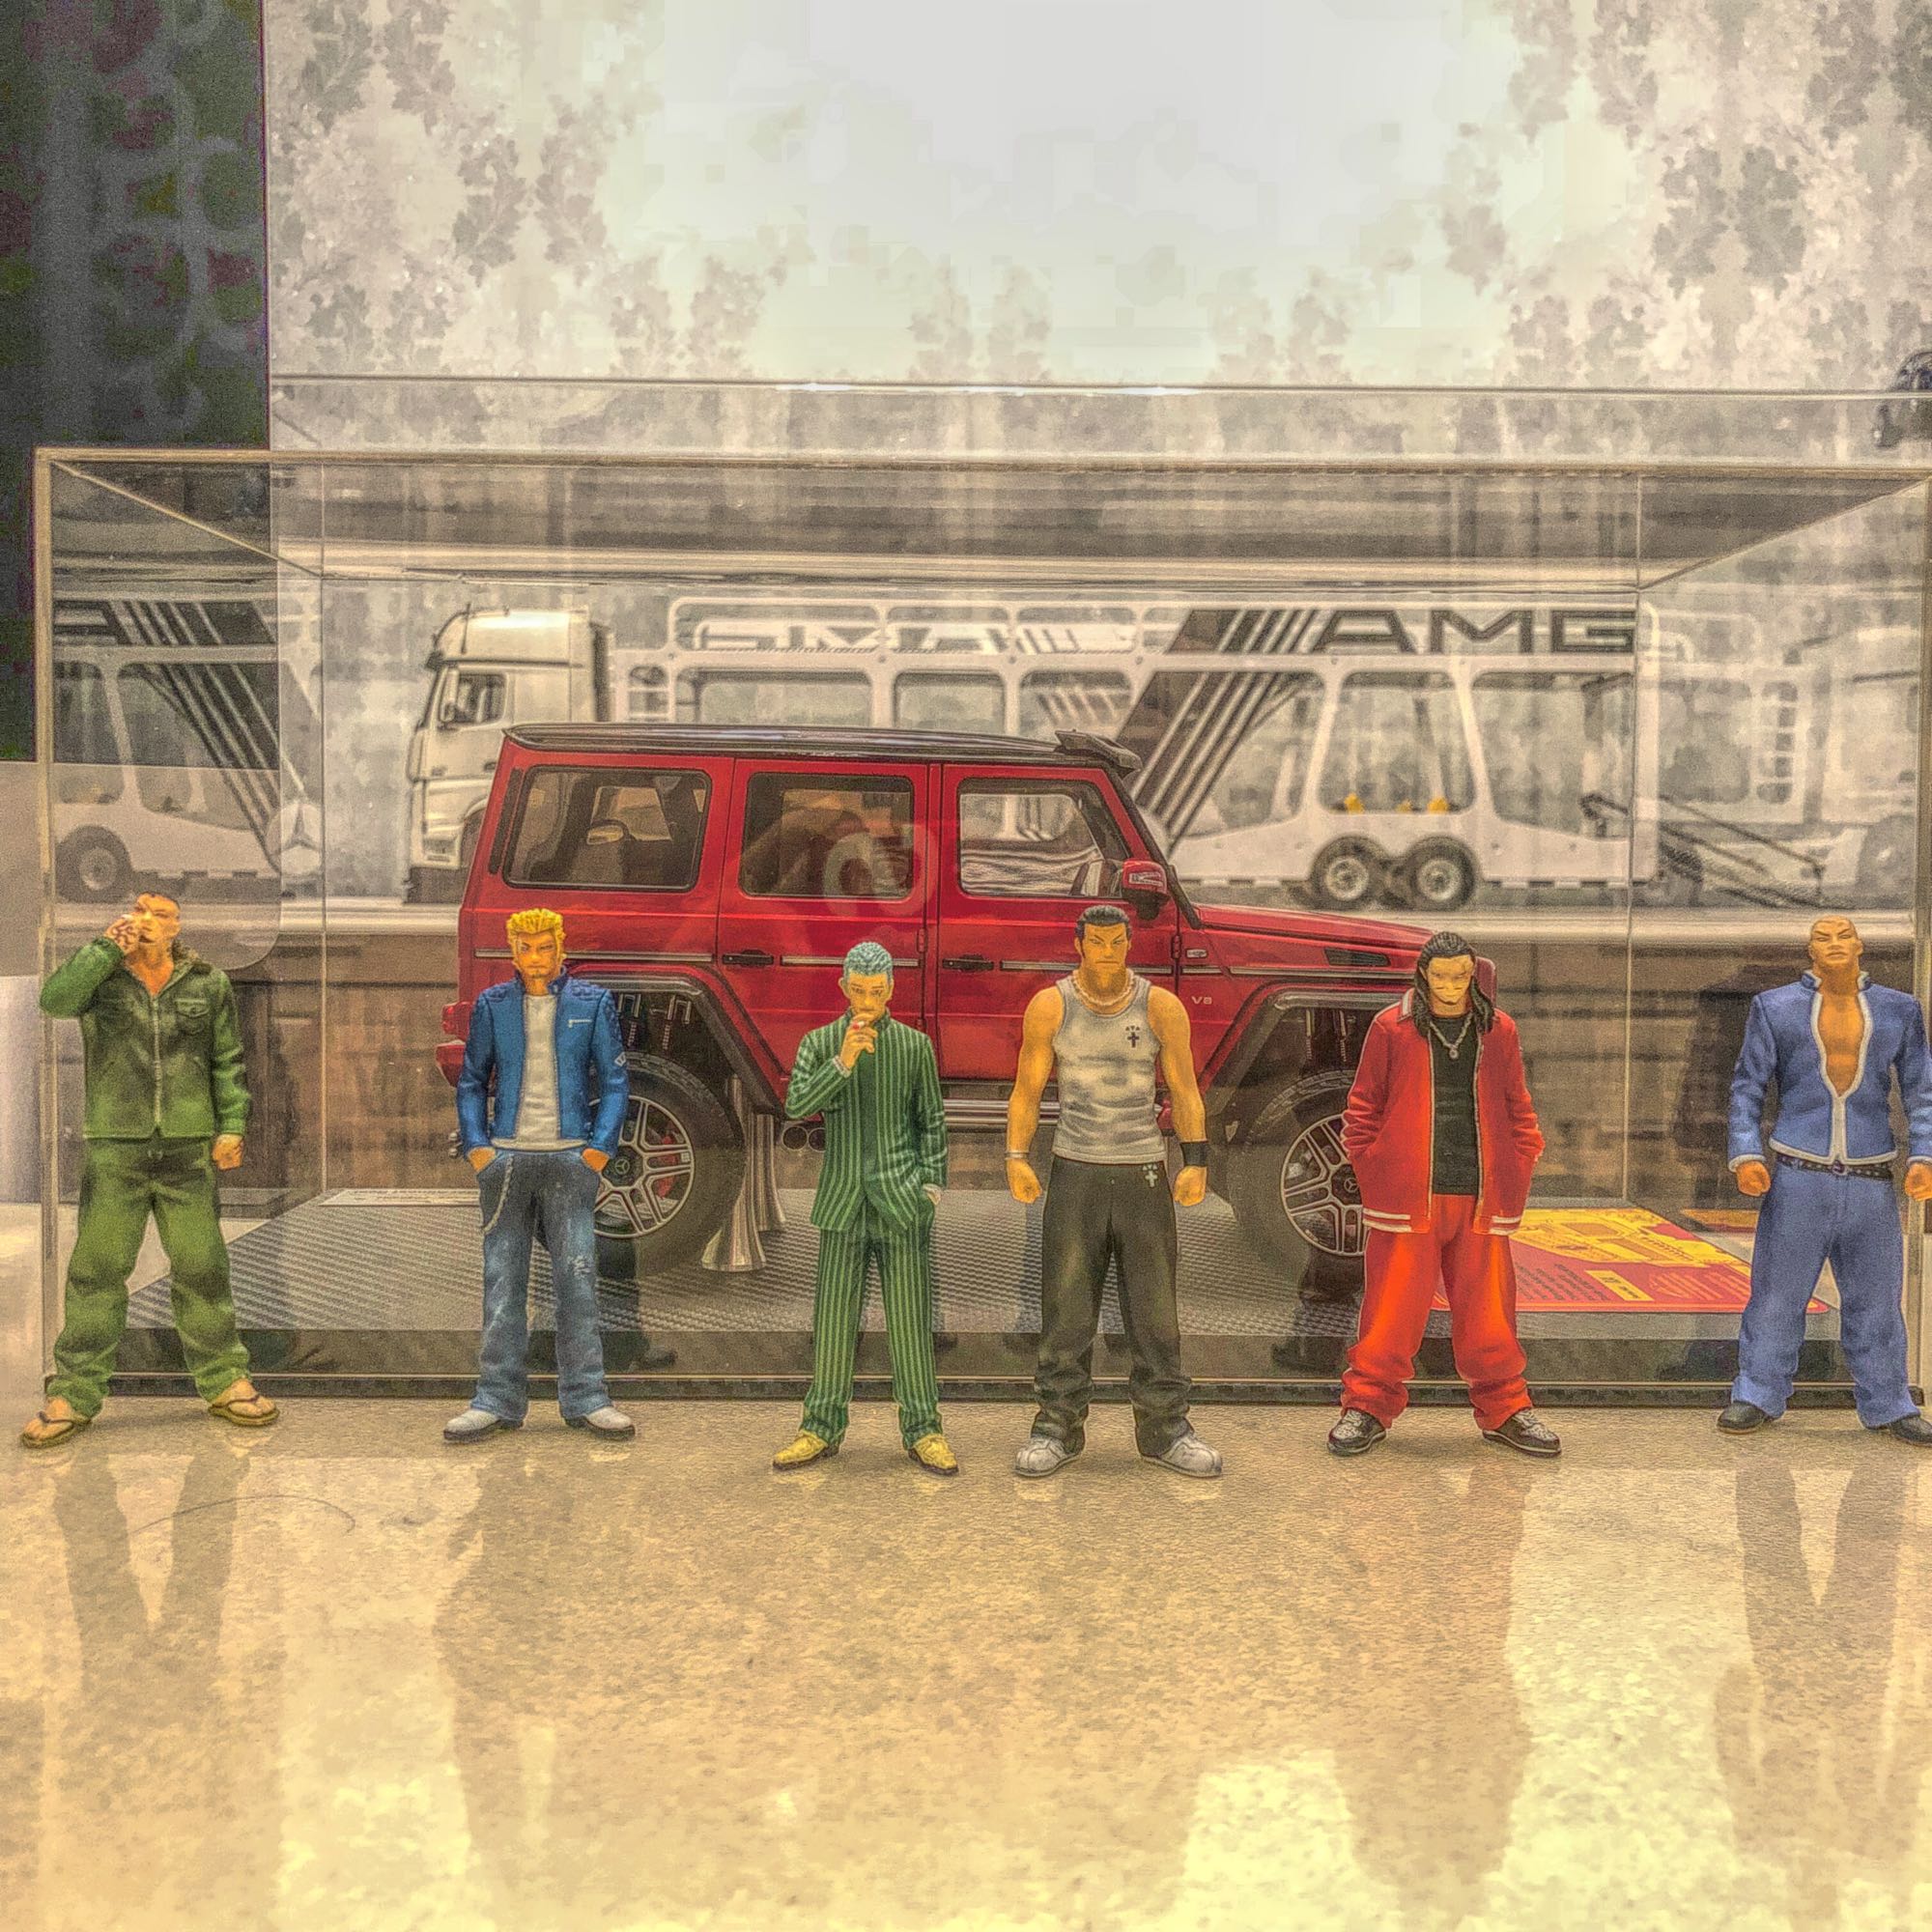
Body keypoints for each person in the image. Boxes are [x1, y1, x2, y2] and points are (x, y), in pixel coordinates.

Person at [21, 892, 276, 1446]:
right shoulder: (102, 977)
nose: (149, 922)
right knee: (97, 1270)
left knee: (202, 1267)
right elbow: (55, 1000)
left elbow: (227, 1060)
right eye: (140, 911)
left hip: (187, 1146)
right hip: (117, 1146)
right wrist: (103, 949)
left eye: (162, 914)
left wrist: (232, 1125)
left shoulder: (207, 983)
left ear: (177, 926)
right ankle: (74, 1391)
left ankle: (224, 1379)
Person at [1006, 903, 1222, 1479]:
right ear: (1079, 944)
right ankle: (1056, 1424)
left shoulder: (1160, 1007)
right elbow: (1027, 1090)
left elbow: (1185, 1088)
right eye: (1097, 942)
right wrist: (1015, 1157)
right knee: (1066, 1307)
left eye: (1117, 942)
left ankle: (1166, 1427)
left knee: (1155, 1311)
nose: (1107, 952)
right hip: (1075, 1170)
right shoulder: (1051, 1005)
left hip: (1142, 1172)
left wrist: (1196, 1160)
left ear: (1130, 943)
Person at [1327, 930, 1557, 1458]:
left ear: (1473, 975)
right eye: (1441, 976)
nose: (1451, 986)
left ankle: (1506, 1408)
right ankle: (1366, 1406)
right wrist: (1376, 1171)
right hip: (1408, 1198)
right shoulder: (1391, 1026)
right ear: (1423, 975)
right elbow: (1362, 1109)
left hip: (1480, 1196)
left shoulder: (1499, 1029)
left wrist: (1522, 1160)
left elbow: (1518, 1105)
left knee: (1490, 1315)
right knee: (1390, 1314)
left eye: (1461, 976)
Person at [1721, 914, 1932, 1443]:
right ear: (1809, 950)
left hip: (1870, 1177)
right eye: (1823, 937)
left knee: (1878, 1300)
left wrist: (1923, 1156)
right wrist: (1745, 1154)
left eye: (1843, 935)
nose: (1834, 943)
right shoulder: (1775, 1007)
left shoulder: (1898, 1009)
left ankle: (1889, 1402)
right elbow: (1747, 1087)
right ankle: (1756, 1393)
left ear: (1860, 945)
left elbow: (1921, 1090)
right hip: (1799, 1173)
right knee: (1777, 1294)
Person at [445, 907, 636, 1442]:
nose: (535, 957)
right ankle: (495, 1398)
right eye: (526, 947)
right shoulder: (493, 1005)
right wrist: (479, 1148)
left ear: (561, 949)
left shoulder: (591, 1003)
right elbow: (471, 1081)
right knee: (502, 1283)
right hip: (506, 1159)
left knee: (578, 1279)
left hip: (570, 1157)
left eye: (545, 947)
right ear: (512, 951)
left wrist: (598, 1150)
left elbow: (615, 1082)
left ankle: (588, 1396)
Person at [772, 941, 957, 1475]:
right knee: (833, 1321)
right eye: (859, 991)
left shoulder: (914, 1046)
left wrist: (930, 1189)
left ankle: (924, 1428)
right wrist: (843, 1062)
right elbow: (797, 1105)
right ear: (844, 988)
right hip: (842, 1201)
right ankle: (819, 1425)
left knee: (911, 1322)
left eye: (877, 991)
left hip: (902, 1201)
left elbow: (932, 1122)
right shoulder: (820, 1043)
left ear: (892, 989)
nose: (869, 1001)